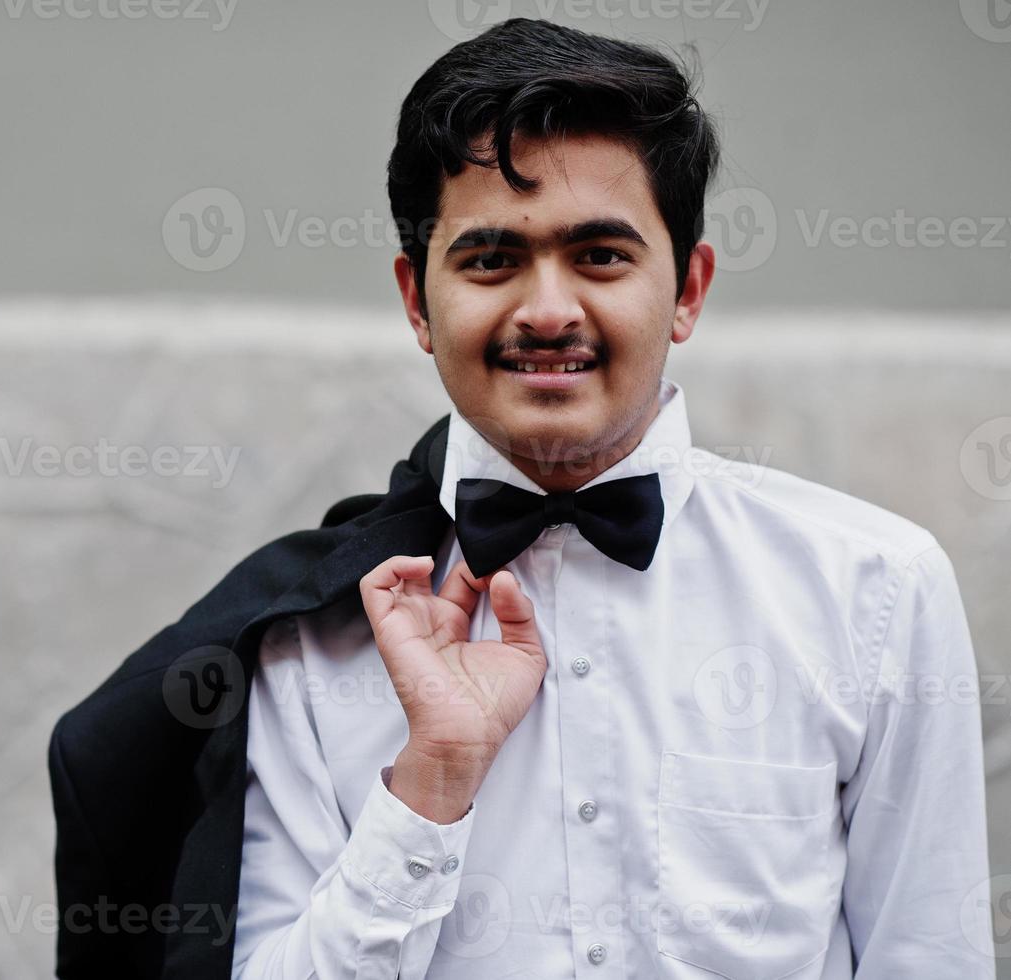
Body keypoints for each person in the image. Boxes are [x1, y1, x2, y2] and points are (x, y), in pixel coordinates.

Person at [49, 17, 994, 978]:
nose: (547, 311)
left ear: (688, 290)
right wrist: (431, 783)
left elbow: (930, 956)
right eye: (491, 260)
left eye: (601, 256)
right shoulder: (306, 636)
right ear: (418, 303)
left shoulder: (875, 589)